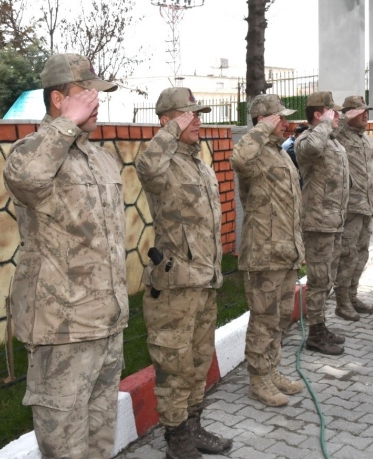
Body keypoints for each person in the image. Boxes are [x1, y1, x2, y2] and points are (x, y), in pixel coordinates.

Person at [3, 53, 127, 459]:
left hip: (107, 323)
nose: (96, 101)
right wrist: (65, 126)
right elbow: (26, 178)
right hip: (63, 330)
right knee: (65, 448)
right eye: (86, 94)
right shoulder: (30, 152)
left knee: (100, 442)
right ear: (58, 99)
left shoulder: (99, 156)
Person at [136, 87, 232, 459]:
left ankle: (193, 426)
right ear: (165, 121)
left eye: (199, 114)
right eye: (188, 114)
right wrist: (170, 132)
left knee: (198, 360)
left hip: (205, 281)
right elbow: (146, 167)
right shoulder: (160, 164)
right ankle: (176, 439)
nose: (197, 120)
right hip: (176, 286)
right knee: (173, 363)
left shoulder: (198, 162)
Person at [231, 94, 305, 407]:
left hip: (286, 252)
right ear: (265, 120)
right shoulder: (253, 152)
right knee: (264, 319)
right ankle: (258, 380)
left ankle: (272, 370)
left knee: (281, 317)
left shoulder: (280, 153)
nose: (287, 124)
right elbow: (239, 159)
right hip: (264, 253)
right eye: (280, 118)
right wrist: (262, 129)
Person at [295, 91, 348, 355]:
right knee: (318, 280)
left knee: (326, 279)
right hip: (317, 223)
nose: (337, 116)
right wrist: (325, 124)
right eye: (332, 112)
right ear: (319, 114)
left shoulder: (332, 140)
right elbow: (311, 149)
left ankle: (320, 325)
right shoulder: (307, 139)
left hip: (333, 222)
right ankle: (315, 334)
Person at [332, 95, 373, 321]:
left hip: (367, 206)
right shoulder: (339, 136)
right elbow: (325, 129)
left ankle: (352, 295)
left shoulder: (367, 139)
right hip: (350, 208)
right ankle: (341, 302)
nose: (365, 115)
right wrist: (343, 116)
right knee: (347, 255)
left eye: (366, 111)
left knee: (361, 254)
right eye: (359, 111)